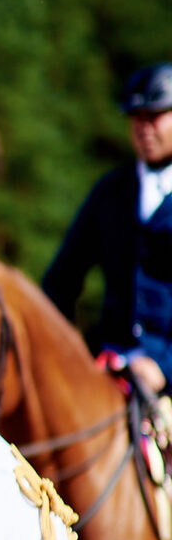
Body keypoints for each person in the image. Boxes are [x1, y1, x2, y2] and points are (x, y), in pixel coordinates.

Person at [42, 63, 172, 395]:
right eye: (135, 118)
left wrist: (165, 367)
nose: (143, 128)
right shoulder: (111, 192)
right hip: (110, 369)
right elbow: (60, 281)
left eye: (153, 116)